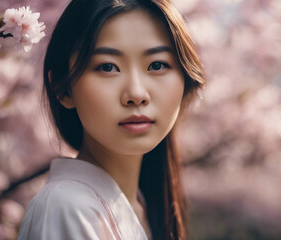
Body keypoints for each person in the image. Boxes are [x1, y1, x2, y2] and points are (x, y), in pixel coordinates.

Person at [17, 0, 205, 239]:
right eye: (108, 67)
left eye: (157, 65)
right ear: (62, 89)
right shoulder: (67, 207)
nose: (136, 94)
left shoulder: (142, 206)